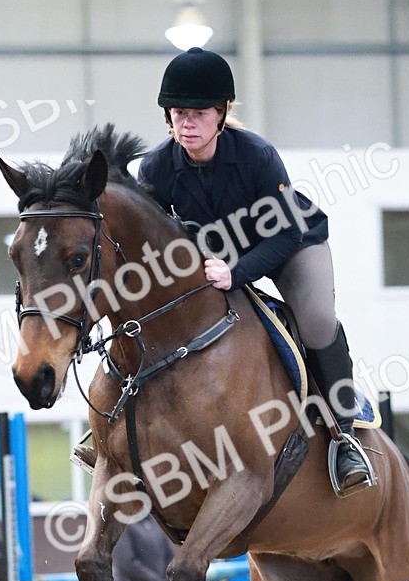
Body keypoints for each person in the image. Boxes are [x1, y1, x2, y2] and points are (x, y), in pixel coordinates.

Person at [138, 46, 373, 496]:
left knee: (317, 321)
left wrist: (238, 274)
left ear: (222, 114)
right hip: (217, 260)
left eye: (198, 114)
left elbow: (285, 234)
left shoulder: (256, 157)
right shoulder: (156, 168)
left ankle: (345, 438)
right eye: (178, 113)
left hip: (290, 246)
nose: (186, 123)